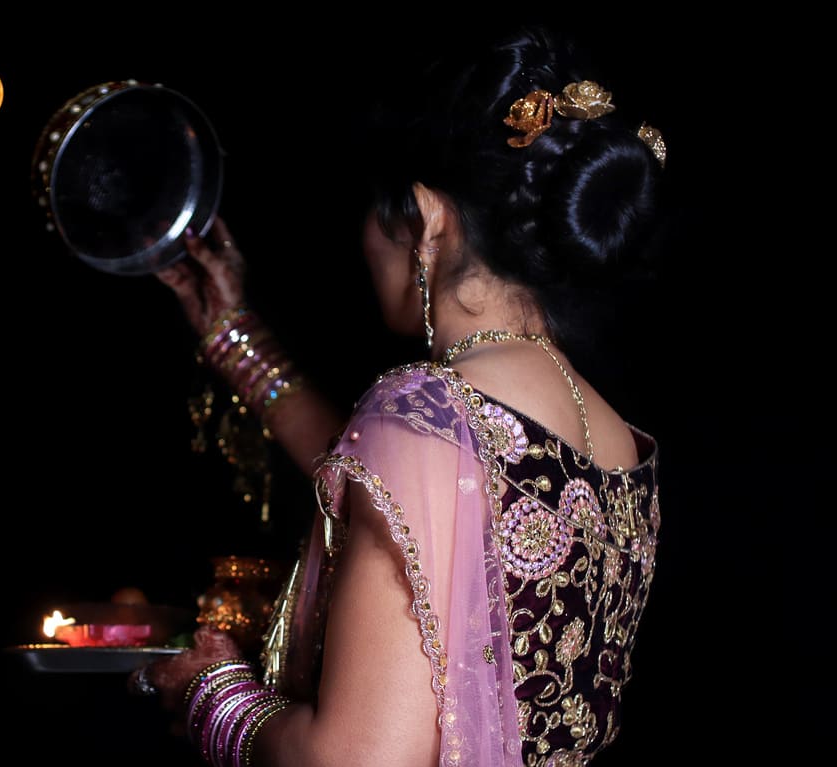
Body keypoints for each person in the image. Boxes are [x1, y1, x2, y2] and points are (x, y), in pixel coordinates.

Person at [128, 25, 667, 766]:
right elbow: (423, 499)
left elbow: (354, 758)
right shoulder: (605, 428)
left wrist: (216, 695)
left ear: (427, 216)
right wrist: (235, 339)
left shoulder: (430, 408)